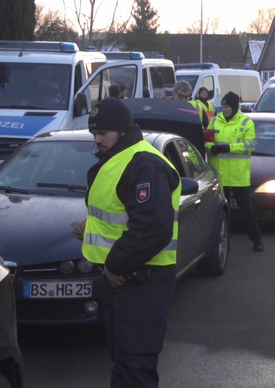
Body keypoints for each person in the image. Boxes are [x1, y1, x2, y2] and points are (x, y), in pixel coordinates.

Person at [81, 97, 181, 388]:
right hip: (126, 282)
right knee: (123, 363)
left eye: (103, 133)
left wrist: (114, 264)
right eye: (94, 134)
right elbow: (120, 216)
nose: (97, 139)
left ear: (123, 131)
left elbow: (152, 227)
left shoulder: (143, 163)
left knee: (135, 369)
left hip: (142, 282)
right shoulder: (119, 159)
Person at [206, 91, 263, 252]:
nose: (223, 109)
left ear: (234, 107)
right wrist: (212, 147)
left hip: (238, 175)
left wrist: (228, 148)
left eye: (227, 107)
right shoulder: (215, 121)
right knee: (220, 211)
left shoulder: (246, 122)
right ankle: (223, 242)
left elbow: (250, 145)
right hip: (219, 174)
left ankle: (257, 239)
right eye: (222, 106)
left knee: (246, 209)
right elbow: (206, 141)